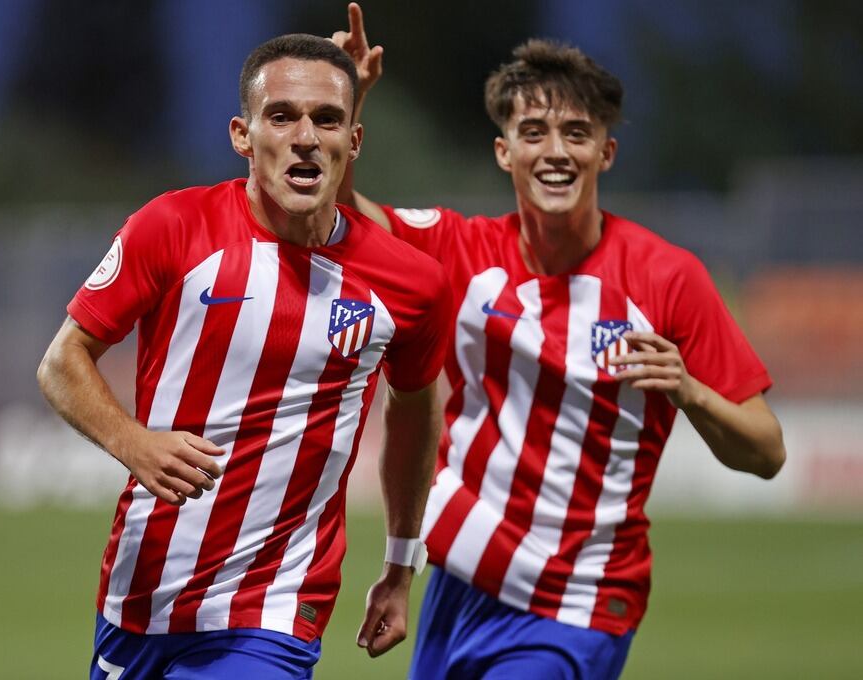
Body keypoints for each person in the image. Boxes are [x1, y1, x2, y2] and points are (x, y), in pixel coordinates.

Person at [332, 5, 787, 678]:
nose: (555, 151)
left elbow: (768, 451)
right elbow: (340, 218)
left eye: (577, 133)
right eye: (534, 131)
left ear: (605, 151)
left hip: (578, 605)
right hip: (460, 585)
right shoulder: (463, 250)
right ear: (504, 150)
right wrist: (350, 99)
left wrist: (690, 391)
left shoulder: (668, 278)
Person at [37, 33, 451, 679]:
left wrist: (400, 565)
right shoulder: (173, 227)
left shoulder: (411, 283)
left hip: (275, 608)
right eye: (282, 116)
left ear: (354, 141)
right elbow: (62, 361)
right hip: (144, 588)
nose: (305, 136)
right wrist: (131, 441)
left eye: (327, 118)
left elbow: (416, 413)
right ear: (242, 134)